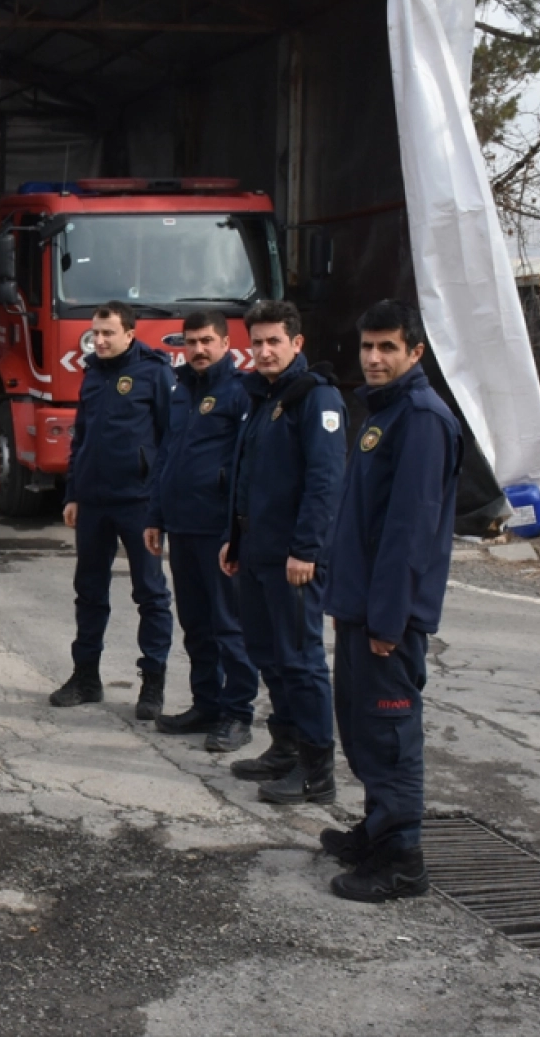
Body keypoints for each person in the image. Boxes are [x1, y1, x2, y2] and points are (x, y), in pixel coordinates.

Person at [322, 300, 461, 902]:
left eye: (387, 348)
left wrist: (388, 619)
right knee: (361, 727)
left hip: (388, 618)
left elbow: (410, 530)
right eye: (367, 347)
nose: (374, 358)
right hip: (360, 606)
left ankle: (402, 860)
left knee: (391, 733)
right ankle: (377, 831)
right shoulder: (383, 413)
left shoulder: (422, 419)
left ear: (415, 353)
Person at [221, 299, 347, 804]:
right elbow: (248, 476)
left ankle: (317, 771)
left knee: (301, 660)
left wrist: (307, 549)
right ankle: (285, 746)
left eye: (275, 341)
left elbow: (325, 481)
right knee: (267, 654)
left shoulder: (316, 399)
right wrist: (235, 536)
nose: (265, 350)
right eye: (257, 342)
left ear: (297, 344)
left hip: (293, 559)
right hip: (256, 551)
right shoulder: (263, 396)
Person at [52, 301, 174, 720]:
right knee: (89, 592)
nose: (99, 340)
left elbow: (169, 441)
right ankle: (85, 677)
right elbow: (80, 438)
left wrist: (160, 506)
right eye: (95, 333)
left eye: (107, 333)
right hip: (93, 502)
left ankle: (153, 685)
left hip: (139, 503)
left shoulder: (155, 373)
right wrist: (72, 493)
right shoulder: (91, 374)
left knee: (151, 595)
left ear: (129, 334)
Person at [143, 310, 256, 751]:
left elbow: (245, 468)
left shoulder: (239, 392)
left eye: (207, 341)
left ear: (226, 344)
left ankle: (237, 714)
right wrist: (155, 516)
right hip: (182, 526)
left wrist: (237, 530)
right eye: (191, 342)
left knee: (229, 626)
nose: (199, 350)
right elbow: (166, 456)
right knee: (195, 625)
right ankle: (205, 703)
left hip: (218, 530)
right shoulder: (180, 391)